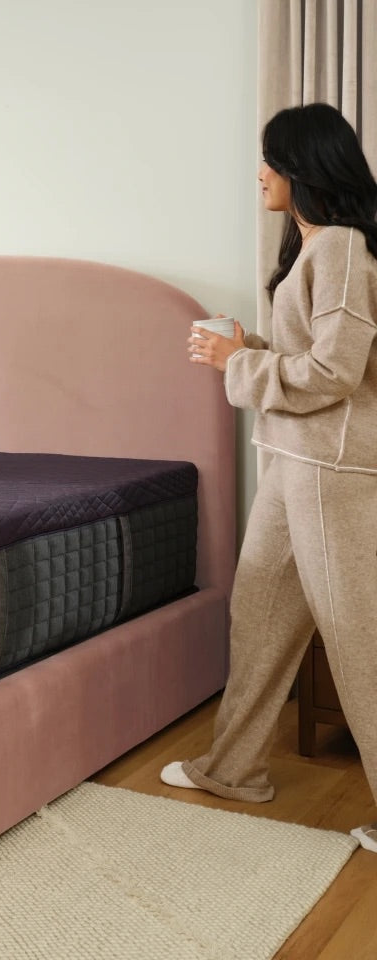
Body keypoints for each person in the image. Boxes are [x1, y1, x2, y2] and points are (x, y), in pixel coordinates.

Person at [159, 102, 377, 853]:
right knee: (258, 619)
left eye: (269, 160)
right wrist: (246, 343)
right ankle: (234, 767)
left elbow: (338, 370)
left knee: (358, 639)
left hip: (333, 469)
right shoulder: (317, 247)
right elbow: (310, 354)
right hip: (294, 462)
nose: (260, 174)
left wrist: (239, 365)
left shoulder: (342, 245)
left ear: (302, 168)